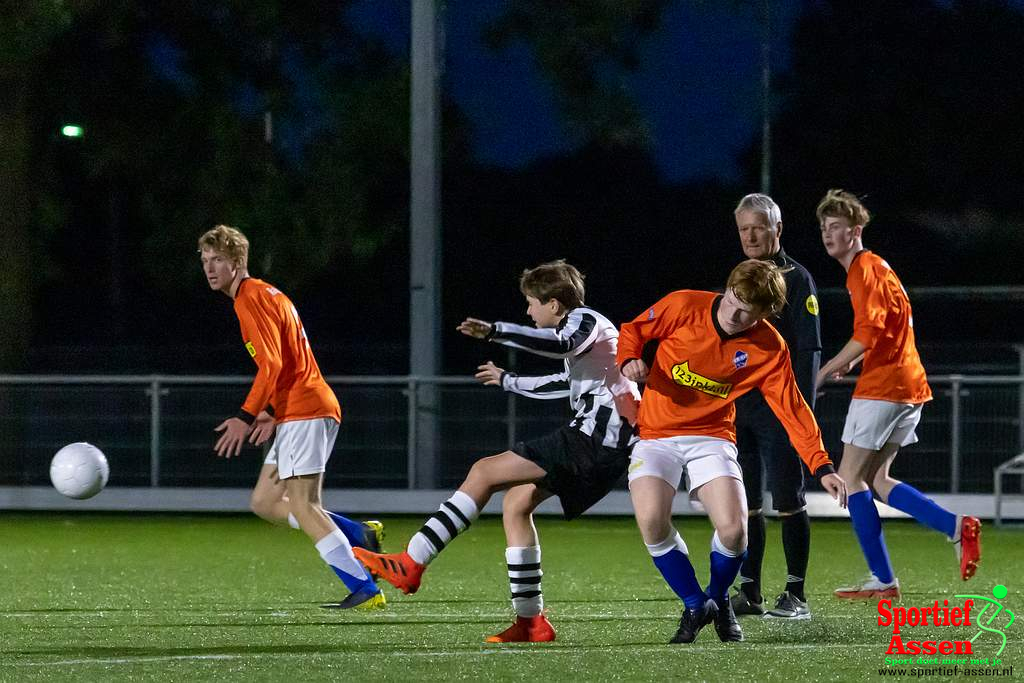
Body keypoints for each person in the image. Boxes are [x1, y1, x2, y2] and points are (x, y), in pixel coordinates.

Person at [353, 260, 640, 643]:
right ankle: (531, 623)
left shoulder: (585, 321)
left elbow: (560, 345)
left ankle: (411, 561)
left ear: (554, 305)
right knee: (516, 504)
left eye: (531, 303)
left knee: (484, 471)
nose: (528, 311)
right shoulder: (588, 339)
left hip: (597, 439)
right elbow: (561, 383)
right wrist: (508, 379)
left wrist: (496, 332)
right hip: (603, 443)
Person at [617, 259, 847, 645]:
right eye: (733, 302)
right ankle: (696, 604)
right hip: (656, 434)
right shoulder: (683, 305)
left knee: (735, 530)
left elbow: (792, 407)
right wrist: (629, 359)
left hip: (712, 436)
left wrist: (821, 463)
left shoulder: (769, 346)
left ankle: (720, 596)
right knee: (652, 522)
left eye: (749, 313)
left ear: (766, 314)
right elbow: (633, 331)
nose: (735, 316)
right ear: (727, 288)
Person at [199, 224, 384, 610]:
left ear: (237, 262)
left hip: (306, 408)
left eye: (218, 260)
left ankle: (363, 585)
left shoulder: (249, 299)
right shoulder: (266, 293)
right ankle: (356, 532)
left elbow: (272, 365)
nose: (210, 268)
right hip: (295, 410)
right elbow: (285, 362)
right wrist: (270, 411)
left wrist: (245, 416)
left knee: (303, 505)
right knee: (266, 501)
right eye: (205, 260)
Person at [814, 190, 981, 599]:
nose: (827, 235)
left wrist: (826, 369)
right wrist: (855, 359)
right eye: (823, 228)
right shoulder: (877, 268)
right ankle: (955, 528)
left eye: (835, 227)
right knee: (876, 478)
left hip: (886, 386)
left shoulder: (863, 269)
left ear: (855, 231)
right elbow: (883, 330)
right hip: (908, 384)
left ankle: (883, 580)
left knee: (851, 477)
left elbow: (868, 331)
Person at [729, 194, 822, 620]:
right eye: (744, 228)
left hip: (779, 409)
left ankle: (796, 594)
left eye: (758, 227)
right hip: (739, 409)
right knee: (745, 503)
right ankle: (750, 592)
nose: (750, 235)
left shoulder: (798, 279)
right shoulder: (738, 278)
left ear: (777, 229)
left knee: (788, 498)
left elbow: (809, 349)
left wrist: (800, 411)